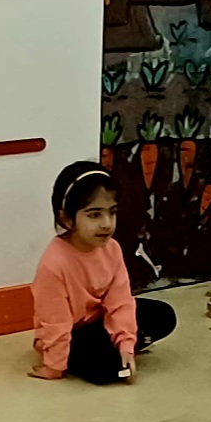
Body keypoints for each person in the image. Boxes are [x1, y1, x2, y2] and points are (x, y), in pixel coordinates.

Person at [30, 159, 175, 385]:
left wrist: (126, 345)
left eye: (112, 212)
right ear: (66, 218)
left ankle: (123, 353)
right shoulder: (54, 263)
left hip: (102, 323)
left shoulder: (112, 249)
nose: (107, 224)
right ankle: (112, 358)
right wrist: (54, 366)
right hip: (74, 334)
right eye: (94, 215)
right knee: (104, 370)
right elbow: (55, 323)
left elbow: (120, 302)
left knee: (164, 315)